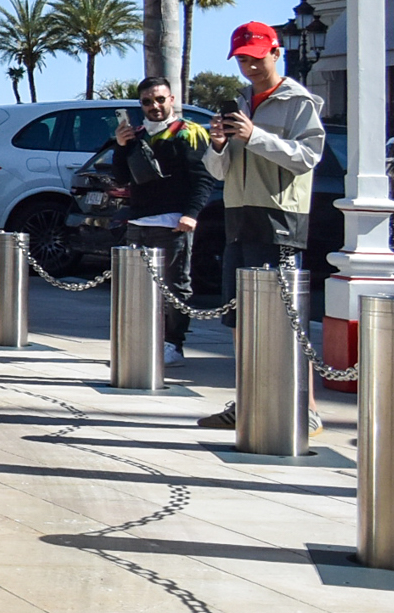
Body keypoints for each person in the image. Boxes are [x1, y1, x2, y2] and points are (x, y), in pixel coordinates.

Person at [195, 22, 326, 433]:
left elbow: (307, 156)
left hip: (280, 218)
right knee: (238, 317)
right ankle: (247, 399)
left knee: (285, 318)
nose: (249, 66)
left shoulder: (298, 101)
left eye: (255, 57)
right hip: (238, 215)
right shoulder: (238, 102)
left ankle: (305, 407)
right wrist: (217, 146)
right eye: (242, 60)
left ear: (275, 52)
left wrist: (256, 136)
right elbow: (219, 170)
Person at [108, 76, 215, 362]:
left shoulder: (188, 133)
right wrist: (120, 145)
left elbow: (203, 179)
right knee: (138, 287)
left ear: (171, 100)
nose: (154, 105)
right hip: (138, 222)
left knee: (175, 285)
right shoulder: (137, 135)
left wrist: (191, 215)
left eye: (159, 99)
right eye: (147, 101)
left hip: (172, 223)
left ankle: (173, 344)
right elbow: (121, 177)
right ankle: (144, 342)